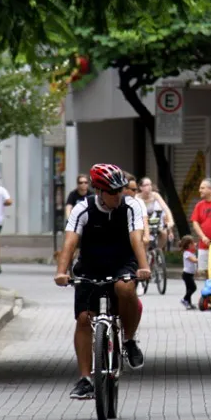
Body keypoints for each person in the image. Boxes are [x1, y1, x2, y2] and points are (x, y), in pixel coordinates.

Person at [53, 163, 150, 401]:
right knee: (84, 318)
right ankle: (85, 379)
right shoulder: (82, 209)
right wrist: (61, 272)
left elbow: (136, 238)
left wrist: (144, 267)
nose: (118, 195)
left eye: (121, 190)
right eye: (113, 191)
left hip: (123, 262)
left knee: (124, 287)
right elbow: (70, 242)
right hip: (91, 265)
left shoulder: (131, 205)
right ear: (98, 191)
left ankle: (128, 340)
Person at [139, 176, 175, 249]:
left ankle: (158, 251)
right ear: (141, 187)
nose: (149, 187)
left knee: (164, 232)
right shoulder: (137, 197)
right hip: (142, 223)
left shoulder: (155, 195)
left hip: (154, 222)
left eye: (150, 184)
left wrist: (171, 221)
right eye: (146, 185)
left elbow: (166, 209)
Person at [180, 235, 198, 310]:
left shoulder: (191, 253)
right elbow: (194, 260)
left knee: (188, 289)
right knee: (193, 288)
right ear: (189, 245)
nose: (195, 244)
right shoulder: (186, 253)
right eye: (193, 243)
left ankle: (189, 303)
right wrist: (201, 259)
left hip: (190, 274)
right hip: (186, 274)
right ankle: (184, 299)